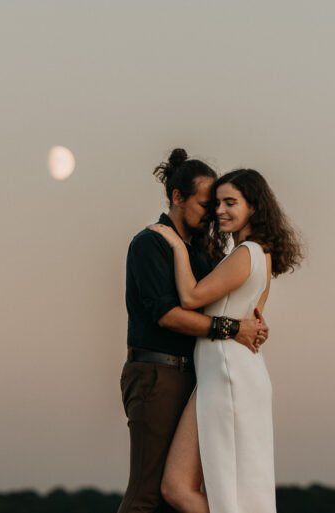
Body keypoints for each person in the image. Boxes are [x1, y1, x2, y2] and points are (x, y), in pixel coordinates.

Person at [119, 150, 269, 513]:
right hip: (158, 374)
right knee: (148, 492)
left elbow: (220, 298)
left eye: (220, 203)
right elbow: (168, 315)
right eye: (206, 203)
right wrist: (233, 328)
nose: (213, 213)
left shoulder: (202, 253)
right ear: (176, 197)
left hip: (195, 378)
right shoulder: (150, 244)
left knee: (181, 490)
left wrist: (252, 320)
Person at [149, 168, 304, 513]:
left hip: (228, 376)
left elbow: (190, 298)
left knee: (217, 491)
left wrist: (175, 243)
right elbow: (252, 320)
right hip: (224, 375)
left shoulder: (247, 252)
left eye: (230, 202)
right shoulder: (259, 254)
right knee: (186, 487)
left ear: (254, 206)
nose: (220, 210)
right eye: (217, 202)